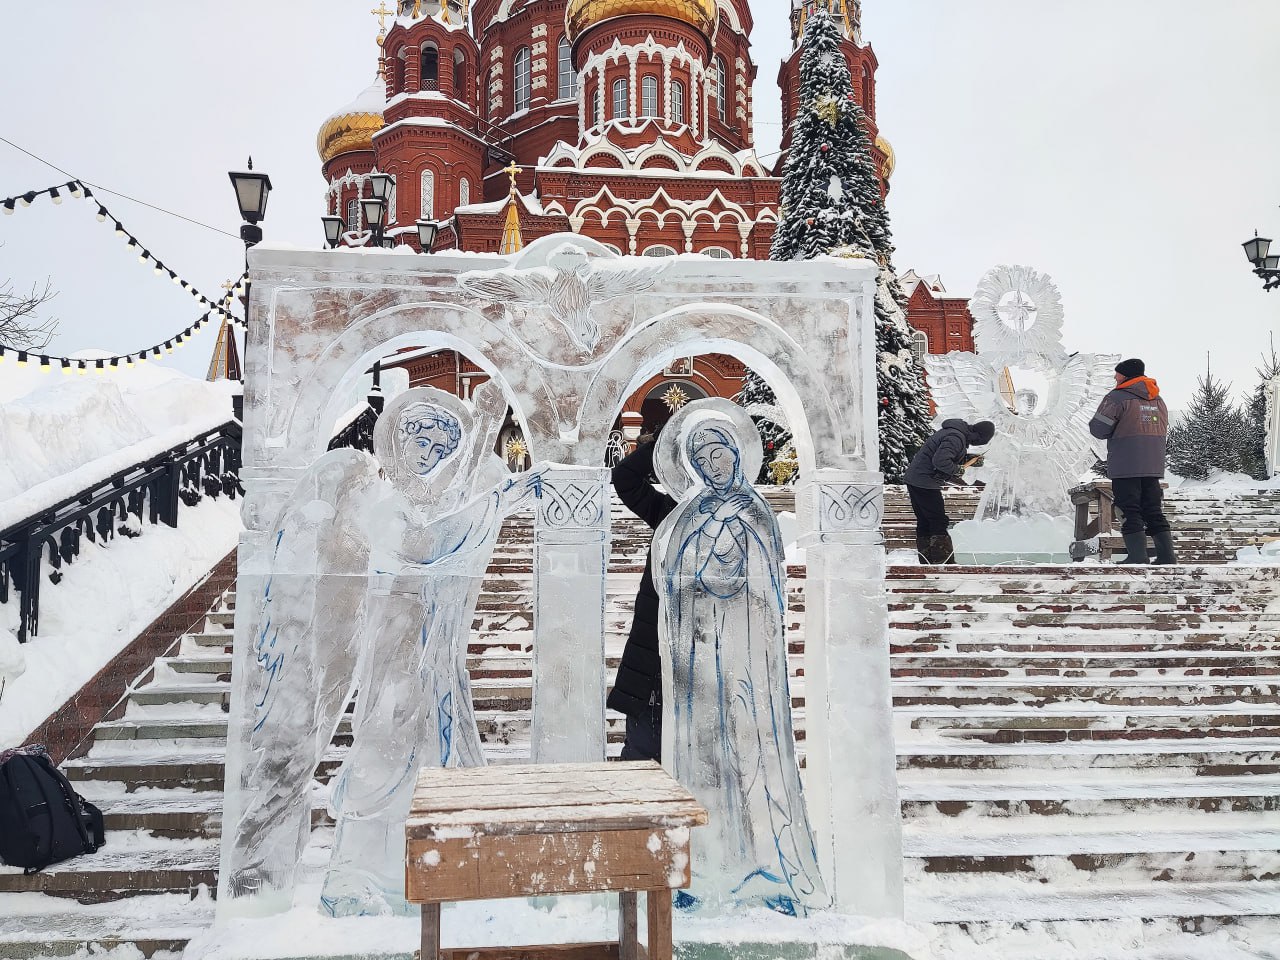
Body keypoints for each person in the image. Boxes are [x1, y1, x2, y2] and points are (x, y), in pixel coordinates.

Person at [654, 420, 825, 915]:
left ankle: (769, 867)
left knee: (755, 752)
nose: (715, 465)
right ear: (692, 467)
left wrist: (733, 527)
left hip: (749, 653)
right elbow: (671, 579)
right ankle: (704, 867)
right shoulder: (687, 517)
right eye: (703, 459)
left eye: (721, 453)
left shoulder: (757, 513)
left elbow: (770, 584)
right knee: (704, 756)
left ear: (736, 453)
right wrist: (709, 528)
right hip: (700, 653)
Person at [607, 430, 674, 761]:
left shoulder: (735, 515)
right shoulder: (669, 510)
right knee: (643, 756)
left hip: (703, 657)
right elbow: (625, 478)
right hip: (653, 655)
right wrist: (667, 441)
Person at [1089, 358, 1175, 564]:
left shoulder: (1117, 398)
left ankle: (1137, 556)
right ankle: (1167, 556)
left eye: (1117, 374)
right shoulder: (1158, 399)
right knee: (1153, 510)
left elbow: (1098, 429)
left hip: (1126, 464)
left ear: (1125, 375)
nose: (1114, 377)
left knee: (1128, 509)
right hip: (1153, 465)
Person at [904, 419, 996, 564]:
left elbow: (947, 456)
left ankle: (927, 561)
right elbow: (940, 461)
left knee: (925, 521)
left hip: (917, 479)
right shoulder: (955, 438)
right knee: (938, 521)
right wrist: (957, 470)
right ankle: (944, 562)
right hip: (925, 481)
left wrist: (969, 459)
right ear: (978, 436)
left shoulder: (955, 434)